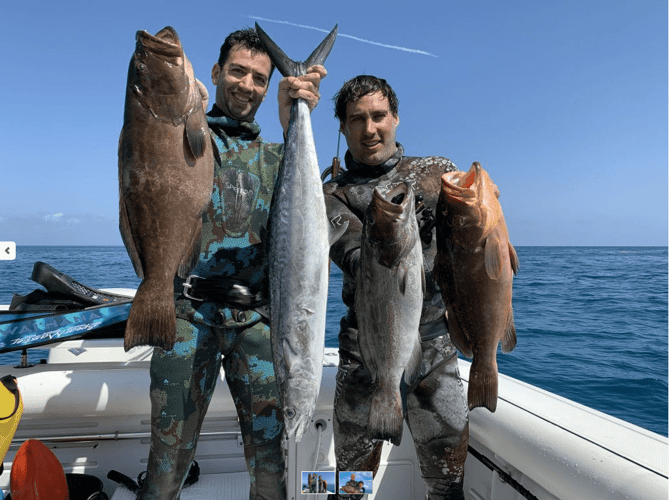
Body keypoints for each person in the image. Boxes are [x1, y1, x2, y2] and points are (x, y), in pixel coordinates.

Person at [137, 27, 326, 500]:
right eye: (237, 72)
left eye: (260, 79)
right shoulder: (187, 139)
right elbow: (154, 130)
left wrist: (293, 116)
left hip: (258, 323)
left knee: (271, 470)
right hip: (187, 317)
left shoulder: (279, 155)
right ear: (217, 72)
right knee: (165, 467)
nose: (247, 85)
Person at [323, 75, 469, 500]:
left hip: (435, 348)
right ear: (343, 128)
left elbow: (474, 236)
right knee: (349, 487)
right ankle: (321, 489)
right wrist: (388, 234)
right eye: (356, 120)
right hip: (365, 351)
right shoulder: (332, 193)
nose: (370, 129)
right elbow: (352, 256)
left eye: (378, 116)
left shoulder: (437, 172)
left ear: (396, 118)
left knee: (448, 484)